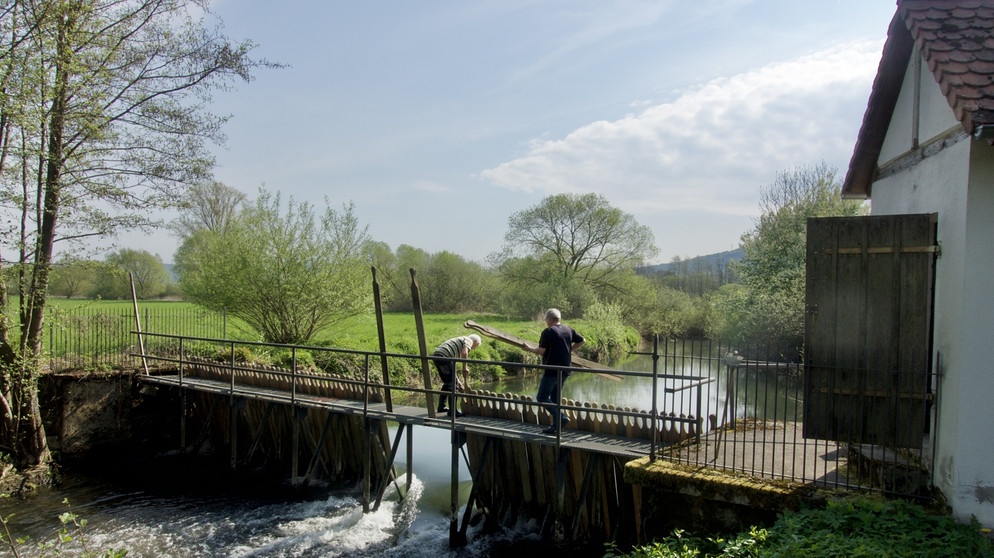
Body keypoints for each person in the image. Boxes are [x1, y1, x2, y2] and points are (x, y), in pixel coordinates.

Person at [525, 308, 584, 434]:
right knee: (555, 400)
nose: (546, 322)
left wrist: (529, 349)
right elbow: (582, 340)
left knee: (541, 397)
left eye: (546, 319)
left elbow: (541, 351)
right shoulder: (568, 329)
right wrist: (569, 349)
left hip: (552, 369)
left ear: (550, 319)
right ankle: (555, 427)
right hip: (566, 369)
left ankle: (562, 418)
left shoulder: (548, 331)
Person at [431, 333, 481, 417]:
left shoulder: (459, 342)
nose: (473, 349)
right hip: (444, 356)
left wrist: (458, 382)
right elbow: (465, 353)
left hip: (438, 356)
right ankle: (453, 412)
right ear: (475, 341)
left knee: (448, 383)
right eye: (475, 346)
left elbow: (452, 369)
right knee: (453, 386)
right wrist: (464, 367)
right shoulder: (468, 340)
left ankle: (441, 407)